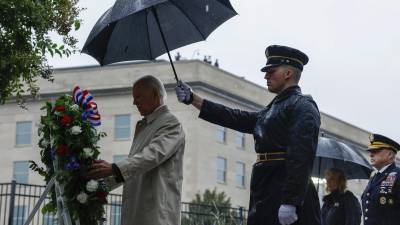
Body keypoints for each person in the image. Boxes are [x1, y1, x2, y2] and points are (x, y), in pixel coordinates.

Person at [175, 45, 321, 225]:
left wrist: (291, 201)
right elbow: (234, 117)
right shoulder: (272, 109)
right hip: (266, 185)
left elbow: (302, 156)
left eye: (271, 71)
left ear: (288, 73)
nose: (266, 76)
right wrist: (193, 99)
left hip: (283, 188)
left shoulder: (303, 106)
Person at [85, 75, 185, 225]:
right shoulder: (145, 126)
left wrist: (113, 168)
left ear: (155, 95)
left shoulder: (171, 123)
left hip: (156, 216)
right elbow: (133, 169)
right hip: (138, 212)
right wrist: (98, 186)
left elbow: (151, 156)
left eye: (138, 96)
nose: (134, 102)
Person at [361, 133, 400, 225]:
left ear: (390, 154)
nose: (371, 154)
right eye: (370, 151)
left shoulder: (398, 175)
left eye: (376, 151)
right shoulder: (374, 178)